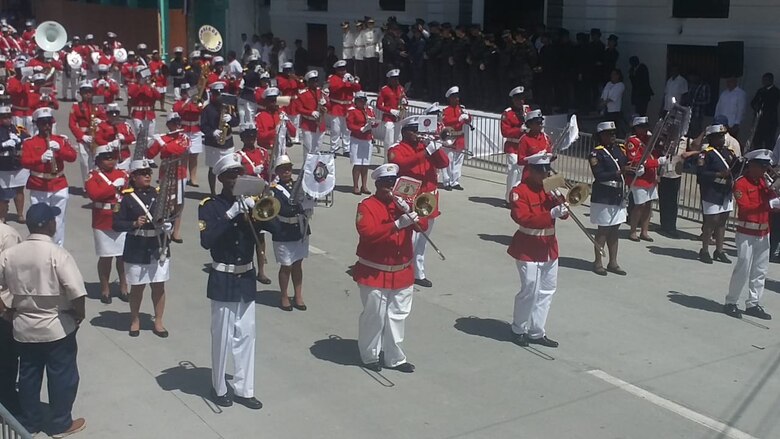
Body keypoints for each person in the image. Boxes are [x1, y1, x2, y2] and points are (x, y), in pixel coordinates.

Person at [0, 203, 87, 438]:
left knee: (28, 376)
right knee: (62, 376)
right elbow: (76, 292)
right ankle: (60, 424)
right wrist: (79, 314)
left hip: (23, 325)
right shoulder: (57, 254)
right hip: (56, 326)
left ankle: (29, 422)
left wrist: (6, 311)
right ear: (49, 224)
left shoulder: (11, 254)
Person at [198, 153, 264, 410]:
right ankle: (219, 386)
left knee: (247, 335)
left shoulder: (250, 203)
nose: (237, 177)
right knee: (223, 336)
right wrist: (230, 214)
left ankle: (245, 388)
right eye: (232, 174)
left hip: (246, 276)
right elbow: (207, 240)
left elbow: (271, 230)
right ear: (222, 178)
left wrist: (258, 214)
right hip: (223, 276)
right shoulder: (210, 205)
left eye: (239, 173)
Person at [355, 163, 425, 373]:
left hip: (401, 271)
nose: (389, 187)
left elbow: (423, 227)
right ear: (377, 184)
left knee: (398, 316)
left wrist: (412, 212)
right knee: (374, 316)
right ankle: (369, 355)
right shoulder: (366, 206)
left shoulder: (402, 205)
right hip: (374, 271)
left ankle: (394, 357)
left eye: (392, 183)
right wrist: (395, 225)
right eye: (385, 183)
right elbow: (368, 233)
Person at [508, 151, 566, 348]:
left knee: (547, 290)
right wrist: (551, 213)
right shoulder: (519, 191)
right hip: (528, 247)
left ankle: (536, 331)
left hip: (549, 247)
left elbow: (564, 214)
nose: (545, 174)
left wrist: (562, 204)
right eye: (541, 171)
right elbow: (523, 218)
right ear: (531, 170)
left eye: (547, 170)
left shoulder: (549, 187)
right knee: (530, 290)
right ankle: (518, 328)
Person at [112, 158, 172, 337]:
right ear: (134, 176)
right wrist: (133, 222)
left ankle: (159, 320)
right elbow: (116, 223)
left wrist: (168, 223)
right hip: (137, 246)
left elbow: (167, 213)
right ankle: (135, 319)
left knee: (159, 286)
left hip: (157, 246)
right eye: (143, 174)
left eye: (149, 173)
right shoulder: (126, 198)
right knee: (137, 287)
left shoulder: (158, 194)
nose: (147, 176)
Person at [388, 116, 449, 288]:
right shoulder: (397, 148)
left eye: (419, 130)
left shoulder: (425, 147)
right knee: (410, 240)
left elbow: (444, 163)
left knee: (423, 241)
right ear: (404, 132)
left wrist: (436, 149)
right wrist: (426, 152)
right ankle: (403, 270)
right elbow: (401, 164)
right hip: (411, 200)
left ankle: (418, 272)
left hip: (429, 200)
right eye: (414, 131)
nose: (418, 134)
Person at [724, 149, 777, 320]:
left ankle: (753, 303)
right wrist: (769, 203)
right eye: (762, 167)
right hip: (747, 232)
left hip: (763, 232)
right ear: (752, 165)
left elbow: (772, 199)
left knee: (760, 269)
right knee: (743, 268)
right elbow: (746, 208)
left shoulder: (762, 182)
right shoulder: (741, 183)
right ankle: (731, 301)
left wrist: (774, 194)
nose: (764, 171)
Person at [21, 108, 77, 247]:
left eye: (49, 123)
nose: (47, 126)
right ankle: (40, 247)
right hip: (38, 184)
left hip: (58, 183)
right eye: (43, 123)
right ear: (37, 124)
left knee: (58, 219)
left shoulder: (60, 140)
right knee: (39, 219)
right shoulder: (30, 142)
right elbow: (24, 162)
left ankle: (57, 247)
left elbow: (72, 157)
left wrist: (61, 149)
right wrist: (40, 159)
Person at [84, 144, 129, 303]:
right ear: (98, 160)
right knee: (105, 257)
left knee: (123, 256)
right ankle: (105, 289)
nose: (110, 161)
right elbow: (94, 194)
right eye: (106, 158)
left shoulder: (122, 174)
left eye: (113, 157)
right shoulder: (93, 176)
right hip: (102, 220)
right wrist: (112, 187)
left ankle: (124, 287)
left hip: (121, 217)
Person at [267, 155, 312, 311]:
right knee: (286, 265)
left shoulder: (299, 185)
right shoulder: (273, 189)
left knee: (298, 264)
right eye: (283, 169)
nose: (287, 171)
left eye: (289, 168)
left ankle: (298, 295)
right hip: (283, 230)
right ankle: (284, 295)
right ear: (277, 171)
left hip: (300, 229)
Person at [589, 121, 628, 276]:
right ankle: (598, 262)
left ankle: (613, 262)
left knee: (615, 229)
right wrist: (618, 173)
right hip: (603, 196)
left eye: (614, 133)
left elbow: (626, 164)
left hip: (617, 195)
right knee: (603, 231)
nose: (612, 136)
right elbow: (599, 175)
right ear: (601, 136)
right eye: (609, 134)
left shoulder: (619, 150)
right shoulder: (596, 153)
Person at [236, 124, 273, 285]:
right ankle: (244, 267)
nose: (251, 139)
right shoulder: (238, 156)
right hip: (245, 199)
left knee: (261, 236)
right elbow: (235, 178)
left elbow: (270, 172)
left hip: (261, 198)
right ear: (242, 138)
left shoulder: (263, 152)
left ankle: (261, 271)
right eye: (248, 136)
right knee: (244, 235)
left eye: (253, 136)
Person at [146, 112, 190, 243]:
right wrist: (153, 143)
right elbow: (150, 155)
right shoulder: (163, 138)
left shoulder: (184, 137)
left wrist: (162, 144)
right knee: (165, 201)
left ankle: (176, 232)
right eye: (173, 123)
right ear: (168, 125)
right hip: (165, 173)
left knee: (179, 203)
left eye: (178, 122)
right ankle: (163, 228)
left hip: (180, 173)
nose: (177, 125)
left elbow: (177, 150)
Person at [697, 124, 738, 264]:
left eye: (723, 136)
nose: (722, 138)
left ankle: (719, 251)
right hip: (712, 192)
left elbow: (735, 168)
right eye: (719, 136)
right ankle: (704, 250)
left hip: (726, 191)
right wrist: (719, 174)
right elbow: (701, 174)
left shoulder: (729, 152)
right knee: (711, 221)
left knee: (722, 222)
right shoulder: (706, 153)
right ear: (711, 138)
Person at [625, 116, 666, 242]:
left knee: (648, 205)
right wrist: (657, 162)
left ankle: (644, 231)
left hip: (650, 177)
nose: (644, 129)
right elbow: (636, 160)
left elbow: (656, 152)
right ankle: (633, 231)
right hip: (639, 178)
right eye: (641, 127)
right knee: (639, 205)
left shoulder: (650, 139)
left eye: (645, 126)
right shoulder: (632, 141)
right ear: (635, 128)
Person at [201, 81, 239, 197]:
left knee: (228, 168)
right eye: (216, 94)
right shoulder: (208, 108)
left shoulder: (229, 107)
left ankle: (227, 191)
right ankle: (212, 192)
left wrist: (231, 118)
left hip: (227, 142)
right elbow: (203, 125)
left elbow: (237, 122)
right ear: (212, 94)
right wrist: (213, 132)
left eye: (221, 94)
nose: (219, 97)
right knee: (213, 169)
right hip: (213, 144)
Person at [0, 220, 22, 415]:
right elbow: (14, 273)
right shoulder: (7, 235)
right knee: (6, 361)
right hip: (3, 309)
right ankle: (7, 407)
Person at [658, 136, 700, 238]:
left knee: (672, 201)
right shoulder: (666, 137)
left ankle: (671, 226)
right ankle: (663, 224)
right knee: (663, 199)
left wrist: (689, 153)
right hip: (663, 172)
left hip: (675, 173)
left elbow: (699, 149)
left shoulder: (685, 140)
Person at [68, 81, 107, 184]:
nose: (87, 94)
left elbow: (106, 120)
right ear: (80, 93)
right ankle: (87, 184)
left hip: (97, 137)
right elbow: (72, 124)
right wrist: (82, 136)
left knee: (97, 162)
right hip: (84, 137)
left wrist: (101, 122)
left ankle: (96, 183)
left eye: (89, 91)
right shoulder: (76, 106)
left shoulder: (98, 106)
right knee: (84, 163)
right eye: (85, 92)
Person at [0, 105, 29, 223]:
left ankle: (20, 214)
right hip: (3, 165)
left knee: (19, 190)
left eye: (9, 116)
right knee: (3, 193)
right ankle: (2, 216)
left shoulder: (17, 129)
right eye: (4, 117)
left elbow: (27, 140)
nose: (7, 119)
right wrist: (3, 145)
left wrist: (20, 141)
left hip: (17, 165)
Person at [346, 91, 378, 194]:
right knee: (358, 164)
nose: (363, 103)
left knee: (365, 164)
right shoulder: (352, 111)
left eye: (364, 101)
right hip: (357, 139)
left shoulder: (369, 110)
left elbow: (374, 123)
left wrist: (374, 123)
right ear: (356, 101)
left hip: (367, 139)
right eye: (360, 101)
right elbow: (349, 125)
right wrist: (360, 129)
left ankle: (364, 186)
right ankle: (355, 186)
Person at [327, 60, 361, 156]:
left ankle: (346, 149)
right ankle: (334, 149)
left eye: (344, 69)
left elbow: (357, 88)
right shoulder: (332, 78)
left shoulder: (348, 77)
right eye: (340, 69)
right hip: (337, 106)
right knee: (335, 130)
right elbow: (333, 88)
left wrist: (353, 82)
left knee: (347, 130)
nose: (343, 71)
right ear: (337, 70)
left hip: (348, 107)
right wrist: (344, 83)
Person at [173, 83, 203, 187]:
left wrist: (196, 100)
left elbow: (201, 110)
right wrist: (187, 101)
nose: (186, 94)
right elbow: (178, 111)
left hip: (195, 131)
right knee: (183, 155)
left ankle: (193, 178)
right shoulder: (179, 103)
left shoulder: (196, 102)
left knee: (194, 155)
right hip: (183, 130)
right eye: (185, 92)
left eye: (188, 92)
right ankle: (183, 177)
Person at [441, 86, 472, 190]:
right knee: (448, 160)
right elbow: (446, 121)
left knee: (458, 161)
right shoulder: (446, 110)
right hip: (450, 137)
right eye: (454, 97)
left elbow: (468, 121)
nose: (457, 99)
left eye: (457, 97)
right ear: (450, 98)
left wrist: (468, 116)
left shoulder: (461, 109)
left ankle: (455, 181)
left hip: (459, 137)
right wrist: (458, 119)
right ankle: (447, 181)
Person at [501, 86, 528, 204]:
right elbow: (505, 132)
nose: (521, 102)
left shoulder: (527, 110)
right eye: (518, 99)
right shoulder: (508, 113)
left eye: (522, 99)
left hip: (524, 147)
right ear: (514, 100)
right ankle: (509, 198)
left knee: (523, 174)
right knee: (513, 171)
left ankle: (518, 197)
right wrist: (519, 130)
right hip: (512, 146)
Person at [94, 103, 135, 171]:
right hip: (108, 156)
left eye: (116, 113)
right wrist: (109, 144)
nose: (114, 116)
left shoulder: (125, 125)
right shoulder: (102, 125)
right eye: (111, 114)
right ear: (107, 114)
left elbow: (133, 138)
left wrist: (124, 138)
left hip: (124, 156)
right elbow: (97, 139)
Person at [294, 70, 325, 160]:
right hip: (308, 123)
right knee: (308, 148)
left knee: (317, 147)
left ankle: (315, 167)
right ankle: (306, 168)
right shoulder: (303, 93)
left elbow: (328, 106)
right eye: (313, 81)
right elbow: (298, 108)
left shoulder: (320, 92)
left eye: (316, 80)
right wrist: (310, 112)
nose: (316, 83)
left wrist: (325, 104)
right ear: (308, 82)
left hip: (320, 123)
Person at [516, 110, 553, 182]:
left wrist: (552, 156)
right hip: (530, 175)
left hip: (544, 174)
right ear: (530, 124)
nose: (540, 125)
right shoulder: (525, 139)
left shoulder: (546, 138)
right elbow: (520, 160)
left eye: (541, 122)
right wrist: (535, 158)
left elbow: (549, 156)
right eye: (537, 123)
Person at [377, 69, 406, 157]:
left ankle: (397, 159)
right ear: (389, 79)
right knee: (389, 141)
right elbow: (378, 105)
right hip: (388, 118)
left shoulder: (401, 88)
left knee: (398, 140)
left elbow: (404, 100)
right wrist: (390, 110)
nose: (396, 81)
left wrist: (405, 102)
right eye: (393, 79)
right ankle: (387, 160)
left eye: (397, 78)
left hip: (398, 118)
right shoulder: (384, 90)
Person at [750, 73, 780, 150]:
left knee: (769, 141)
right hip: (759, 120)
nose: (764, 82)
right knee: (757, 140)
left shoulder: (776, 92)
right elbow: (753, 102)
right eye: (763, 80)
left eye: (766, 80)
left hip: (770, 121)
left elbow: (773, 104)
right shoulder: (761, 91)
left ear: (771, 80)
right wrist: (756, 108)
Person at [128, 67, 160, 135]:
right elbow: (132, 94)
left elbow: (158, 96)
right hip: (137, 114)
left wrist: (152, 87)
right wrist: (141, 85)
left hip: (150, 114)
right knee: (140, 136)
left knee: (150, 136)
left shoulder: (151, 86)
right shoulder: (133, 85)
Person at [600, 68, 626, 137]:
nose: (612, 76)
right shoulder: (608, 84)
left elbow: (613, 97)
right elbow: (603, 94)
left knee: (613, 128)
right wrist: (602, 102)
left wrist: (604, 103)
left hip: (614, 111)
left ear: (618, 76)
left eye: (614, 74)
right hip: (606, 110)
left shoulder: (621, 85)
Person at [685, 71, 711, 138]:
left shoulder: (704, 86)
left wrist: (695, 101)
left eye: (693, 77)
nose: (691, 79)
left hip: (697, 114)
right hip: (689, 113)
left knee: (695, 132)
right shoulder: (691, 85)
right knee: (686, 132)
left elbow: (707, 101)